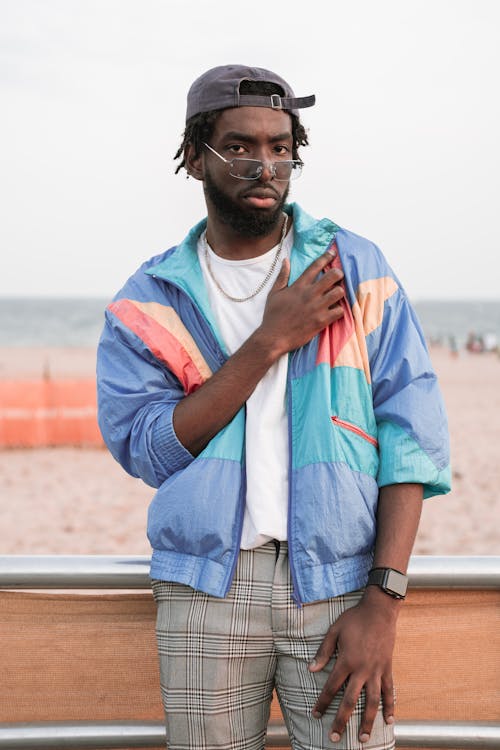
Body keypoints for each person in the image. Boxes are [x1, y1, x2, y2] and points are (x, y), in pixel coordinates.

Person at [97, 65, 450, 750]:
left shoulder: (354, 267)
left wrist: (382, 600)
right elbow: (147, 450)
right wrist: (269, 342)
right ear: (196, 156)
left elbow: (411, 432)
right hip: (206, 590)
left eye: (281, 147)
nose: (265, 165)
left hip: (341, 583)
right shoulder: (149, 298)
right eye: (239, 146)